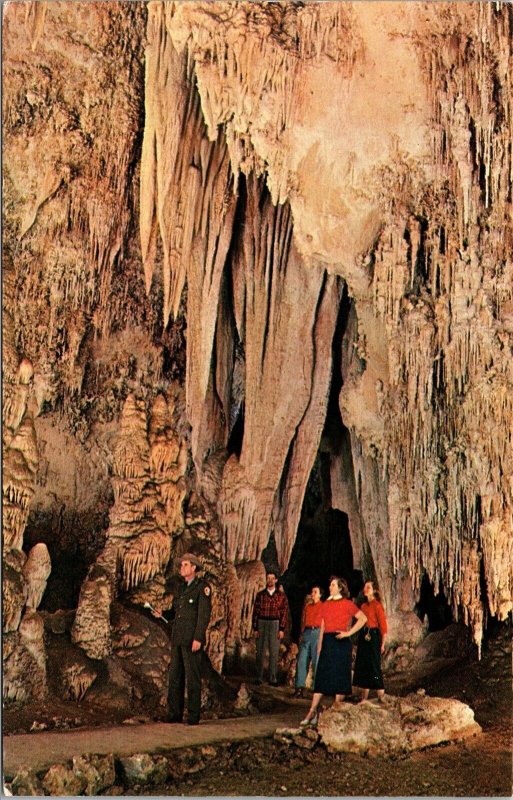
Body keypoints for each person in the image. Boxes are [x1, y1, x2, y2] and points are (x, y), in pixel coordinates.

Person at [151, 552, 212, 725]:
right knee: (175, 676)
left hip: (191, 639)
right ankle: (174, 714)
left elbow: (203, 615)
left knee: (192, 677)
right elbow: (176, 612)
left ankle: (193, 716)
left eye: (185, 565)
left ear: (194, 568)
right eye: (181, 565)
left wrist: (198, 638)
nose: (182, 568)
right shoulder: (182, 588)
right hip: (178, 638)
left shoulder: (202, 588)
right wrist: (162, 614)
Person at [300, 576, 367, 726]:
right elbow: (323, 624)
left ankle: (336, 710)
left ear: (340, 588)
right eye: (330, 585)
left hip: (342, 641)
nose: (330, 587)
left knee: (340, 677)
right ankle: (312, 711)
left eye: (332, 585)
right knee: (322, 676)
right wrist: (320, 644)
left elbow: (363, 619)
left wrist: (349, 633)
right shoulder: (326, 604)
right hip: (328, 640)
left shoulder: (347, 604)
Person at [252, 570, 290, 686]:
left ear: (276, 580)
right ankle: (259, 677)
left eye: (272, 578)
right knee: (260, 651)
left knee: (274, 651)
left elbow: (284, 613)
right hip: (262, 622)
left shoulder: (281, 596)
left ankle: (272, 678)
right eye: (268, 578)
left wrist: (282, 629)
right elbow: (256, 612)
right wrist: (255, 628)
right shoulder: (260, 595)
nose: (270, 580)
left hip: (275, 623)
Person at [353, 580, 388, 701]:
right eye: (365, 587)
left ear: (374, 590)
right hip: (364, 635)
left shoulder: (377, 606)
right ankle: (364, 699)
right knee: (364, 666)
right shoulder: (363, 606)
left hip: (373, 636)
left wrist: (382, 644)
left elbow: (383, 627)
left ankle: (381, 697)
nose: (366, 589)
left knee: (374, 666)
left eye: (368, 587)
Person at [292, 585, 324, 698]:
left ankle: (317, 689)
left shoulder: (323, 607)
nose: (313, 594)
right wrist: (301, 633)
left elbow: (324, 623)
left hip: (317, 632)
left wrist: (322, 637)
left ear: (320, 594)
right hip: (307, 632)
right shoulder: (308, 607)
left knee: (316, 660)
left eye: (315, 592)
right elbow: (304, 621)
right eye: (312, 592)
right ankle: (299, 688)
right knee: (302, 660)